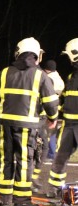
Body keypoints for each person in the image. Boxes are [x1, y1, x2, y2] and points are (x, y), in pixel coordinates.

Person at [0, 37, 58, 206]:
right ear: (36, 55)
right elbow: (51, 102)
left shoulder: (4, 72)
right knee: (24, 161)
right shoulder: (39, 75)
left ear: (18, 52)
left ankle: (5, 197)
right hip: (28, 125)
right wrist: (53, 117)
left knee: (5, 159)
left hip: (5, 123)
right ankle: (22, 200)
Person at [47, 38, 78, 198]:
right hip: (68, 125)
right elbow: (65, 99)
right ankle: (54, 190)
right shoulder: (72, 76)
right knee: (60, 158)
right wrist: (54, 113)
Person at [31, 59, 65, 190]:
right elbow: (50, 101)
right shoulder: (47, 78)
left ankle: (32, 176)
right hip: (40, 118)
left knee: (38, 147)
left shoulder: (36, 75)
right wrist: (53, 117)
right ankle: (32, 177)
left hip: (37, 117)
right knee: (41, 148)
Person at [43, 60, 65, 159]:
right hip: (56, 106)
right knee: (52, 130)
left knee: (46, 130)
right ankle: (52, 152)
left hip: (47, 106)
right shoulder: (59, 78)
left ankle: (49, 152)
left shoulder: (48, 78)